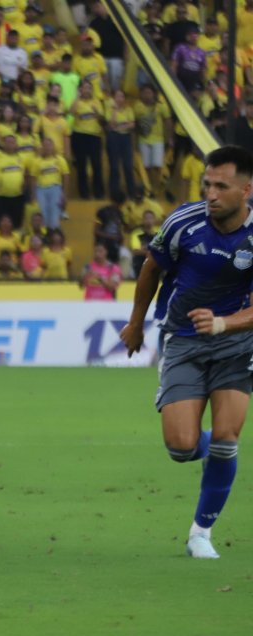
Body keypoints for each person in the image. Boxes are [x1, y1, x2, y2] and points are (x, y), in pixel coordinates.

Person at [120, 145, 253, 559]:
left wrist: (224, 323)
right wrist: (136, 321)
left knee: (228, 439)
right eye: (206, 184)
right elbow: (151, 269)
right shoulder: (184, 222)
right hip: (183, 339)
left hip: (237, 342)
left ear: (246, 189)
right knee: (181, 446)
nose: (210, 194)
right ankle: (207, 443)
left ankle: (200, 533)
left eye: (220, 186)